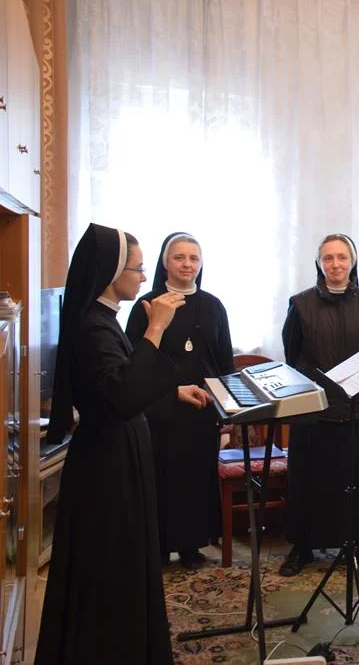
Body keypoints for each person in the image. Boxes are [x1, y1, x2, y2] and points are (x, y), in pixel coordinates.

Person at [37, 224, 211, 665]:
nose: (142, 276)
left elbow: (118, 383)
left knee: (125, 563)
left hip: (116, 451)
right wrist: (156, 328)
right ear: (112, 272)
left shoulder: (102, 318)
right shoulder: (93, 327)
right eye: (136, 268)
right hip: (107, 464)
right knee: (112, 568)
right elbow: (121, 395)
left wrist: (173, 390)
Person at [125, 233, 234, 570]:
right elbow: (134, 361)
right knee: (159, 479)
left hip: (202, 410)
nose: (187, 264)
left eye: (193, 258)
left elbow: (224, 363)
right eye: (179, 257)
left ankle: (190, 546)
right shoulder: (147, 305)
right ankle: (157, 547)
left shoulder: (213, 306)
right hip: (158, 410)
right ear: (165, 262)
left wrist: (228, 409)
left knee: (195, 481)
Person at [278, 233, 359, 575]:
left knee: (357, 479)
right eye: (328, 258)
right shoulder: (300, 304)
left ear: (352, 263)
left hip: (356, 408)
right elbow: (292, 355)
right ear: (319, 263)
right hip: (313, 409)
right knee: (309, 480)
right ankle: (303, 546)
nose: (335, 264)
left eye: (342, 257)